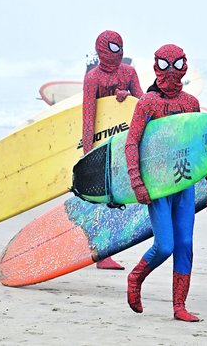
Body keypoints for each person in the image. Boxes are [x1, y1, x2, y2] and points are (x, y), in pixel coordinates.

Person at [124, 44, 207, 322]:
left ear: (185, 66)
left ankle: (179, 306)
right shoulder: (148, 103)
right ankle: (136, 277)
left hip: (184, 184)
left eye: (177, 65)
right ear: (155, 67)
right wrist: (137, 182)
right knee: (165, 245)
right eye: (165, 66)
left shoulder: (191, 103)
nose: (171, 73)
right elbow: (132, 142)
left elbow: (201, 145)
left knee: (185, 244)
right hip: (158, 186)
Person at [82, 30, 144, 270]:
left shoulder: (128, 73)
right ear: (100, 50)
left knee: (117, 199)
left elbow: (143, 103)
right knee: (104, 200)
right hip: (101, 148)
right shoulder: (93, 78)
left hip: (124, 143)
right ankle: (102, 254)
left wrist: (127, 96)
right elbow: (89, 117)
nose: (118, 53)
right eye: (113, 48)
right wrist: (89, 154)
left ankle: (108, 250)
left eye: (120, 48)